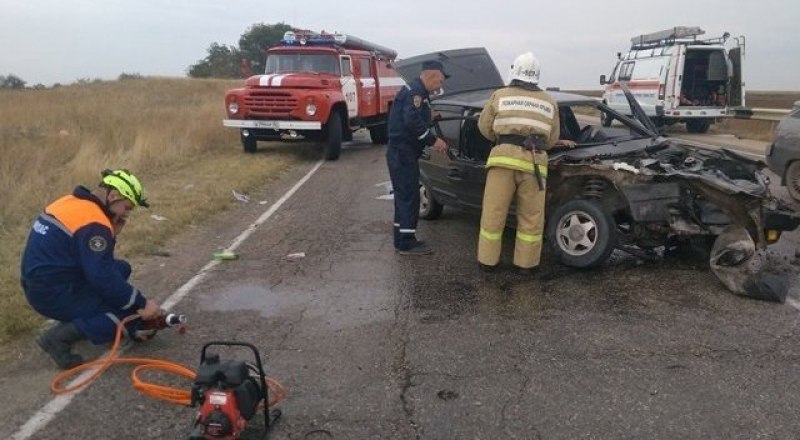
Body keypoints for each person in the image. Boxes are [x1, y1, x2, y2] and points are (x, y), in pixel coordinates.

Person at [20, 169, 161, 369]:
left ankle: (84, 317)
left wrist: (111, 232)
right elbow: (102, 277)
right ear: (113, 196)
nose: (127, 215)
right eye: (127, 208)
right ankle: (57, 339)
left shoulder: (69, 202)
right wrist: (140, 304)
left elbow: (99, 264)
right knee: (122, 317)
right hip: (53, 293)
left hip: (41, 282)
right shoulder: (94, 223)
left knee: (122, 269)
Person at [476, 52, 573, 272]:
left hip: (502, 161)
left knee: (493, 214)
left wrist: (502, 140)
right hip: (534, 165)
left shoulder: (499, 95)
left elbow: (484, 127)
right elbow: (552, 138)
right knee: (531, 218)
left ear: (514, 71)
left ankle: (488, 262)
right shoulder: (549, 102)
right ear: (536, 75)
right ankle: (526, 265)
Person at [386, 60, 449, 255]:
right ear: (431, 76)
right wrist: (433, 141)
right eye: (439, 82)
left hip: (401, 151)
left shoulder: (417, 91)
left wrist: (431, 116)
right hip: (403, 152)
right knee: (409, 197)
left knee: (403, 197)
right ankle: (406, 242)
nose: (440, 86)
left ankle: (401, 238)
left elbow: (416, 114)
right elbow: (411, 119)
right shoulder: (416, 92)